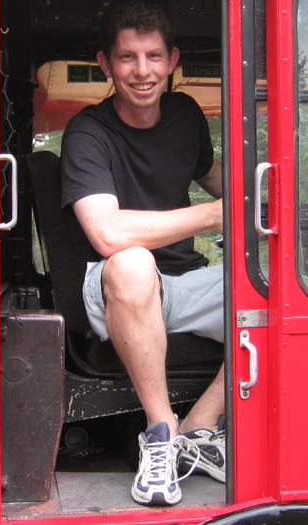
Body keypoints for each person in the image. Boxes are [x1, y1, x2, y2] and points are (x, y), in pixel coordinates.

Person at [60, 0, 225, 506]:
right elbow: (108, 235)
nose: (142, 71)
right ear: (107, 64)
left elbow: (217, 181)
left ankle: (199, 426)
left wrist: (267, 205)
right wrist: (218, 214)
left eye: (153, 56)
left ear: (173, 59)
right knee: (132, 261)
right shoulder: (88, 132)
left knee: (279, 281)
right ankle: (160, 434)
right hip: (116, 289)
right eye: (128, 58)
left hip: (186, 281)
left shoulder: (186, 116)